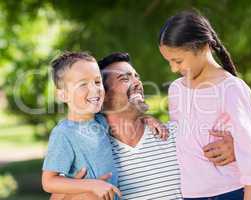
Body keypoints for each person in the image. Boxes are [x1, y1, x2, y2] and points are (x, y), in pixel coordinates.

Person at [51, 52, 237, 200]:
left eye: (136, 76)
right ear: (102, 95)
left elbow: (229, 153)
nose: (137, 83)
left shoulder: (172, 134)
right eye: (125, 79)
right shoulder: (92, 149)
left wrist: (234, 148)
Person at [158, 10, 251, 200]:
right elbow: (183, 140)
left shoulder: (231, 88)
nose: (174, 69)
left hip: (227, 193)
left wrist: (237, 146)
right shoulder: (176, 89)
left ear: (203, 47)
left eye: (178, 61)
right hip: (189, 195)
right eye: (169, 62)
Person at [41, 52, 121, 200]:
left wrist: (148, 119)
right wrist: (93, 185)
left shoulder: (102, 120)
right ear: (63, 95)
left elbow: (130, 119)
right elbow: (48, 181)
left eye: (97, 82)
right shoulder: (64, 133)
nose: (94, 89)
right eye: (83, 84)